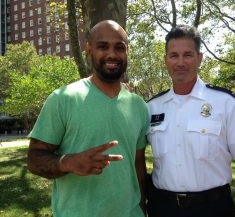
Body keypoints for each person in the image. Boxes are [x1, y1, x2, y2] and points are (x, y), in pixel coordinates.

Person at [146, 25, 235, 217]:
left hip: (212, 208)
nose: (180, 62)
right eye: (174, 55)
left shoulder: (227, 103)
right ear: (166, 60)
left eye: (187, 55)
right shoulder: (152, 107)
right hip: (162, 208)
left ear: (199, 58)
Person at [27, 20, 149, 217]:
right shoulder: (62, 99)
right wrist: (67, 162)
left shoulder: (139, 106)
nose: (112, 54)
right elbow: (33, 160)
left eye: (119, 47)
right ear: (89, 50)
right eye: (102, 46)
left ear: (127, 52)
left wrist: (143, 208)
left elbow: (138, 166)